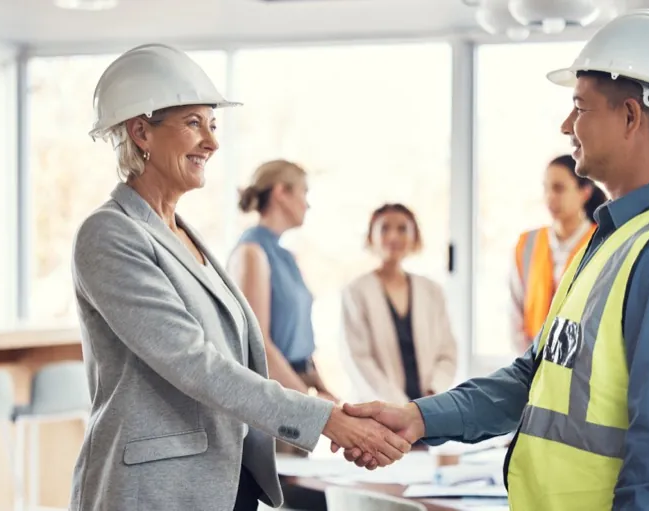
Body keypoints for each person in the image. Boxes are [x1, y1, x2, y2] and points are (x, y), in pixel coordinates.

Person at [335, 9, 649, 511]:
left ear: (631, 116)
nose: (567, 126)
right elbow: (533, 378)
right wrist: (418, 417)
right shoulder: (612, 242)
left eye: (580, 107)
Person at [69, 44, 409, 511]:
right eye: (194, 123)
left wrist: (331, 409)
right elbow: (194, 364)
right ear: (141, 131)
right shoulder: (110, 233)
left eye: (213, 125)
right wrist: (326, 418)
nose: (211, 142)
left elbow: (237, 356)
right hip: (155, 490)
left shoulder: (181, 233)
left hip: (223, 480)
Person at [228, 159, 337, 456]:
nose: (307, 204)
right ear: (281, 192)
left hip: (297, 389)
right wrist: (310, 405)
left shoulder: (287, 256)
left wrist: (321, 387)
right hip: (276, 399)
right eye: (304, 192)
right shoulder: (252, 252)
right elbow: (259, 345)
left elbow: (298, 337)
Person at [341, 203, 458, 403]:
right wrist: (400, 407)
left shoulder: (432, 291)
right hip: (377, 407)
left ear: (415, 237)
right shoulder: (356, 292)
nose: (393, 237)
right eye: (384, 229)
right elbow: (357, 358)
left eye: (402, 229)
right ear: (371, 237)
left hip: (427, 409)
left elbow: (447, 353)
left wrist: (432, 393)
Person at [510, 154, 607, 352]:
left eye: (559, 188)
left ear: (585, 192)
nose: (550, 197)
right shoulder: (527, 243)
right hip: (530, 360)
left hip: (582, 362)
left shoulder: (603, 243)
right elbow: (515, 310)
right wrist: (529, 361)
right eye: (546, 188)